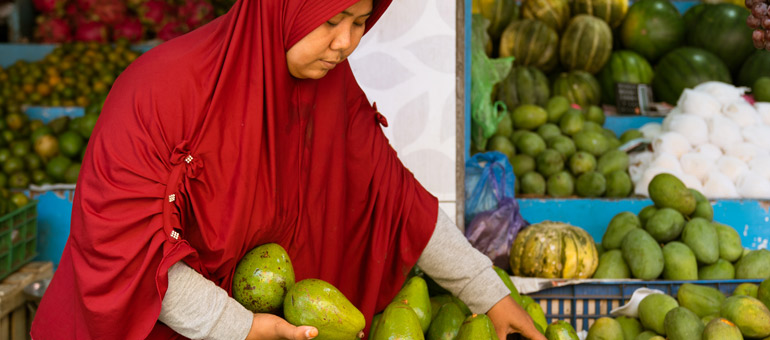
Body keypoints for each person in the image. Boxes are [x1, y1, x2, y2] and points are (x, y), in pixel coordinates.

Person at [31, 0, 546, 339]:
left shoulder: (331, 89)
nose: (345, 42)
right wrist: (242, 326)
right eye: (330, 20)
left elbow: (396, 199)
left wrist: (491, 294)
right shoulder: (159, 93)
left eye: (360, 21)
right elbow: (131, 254)